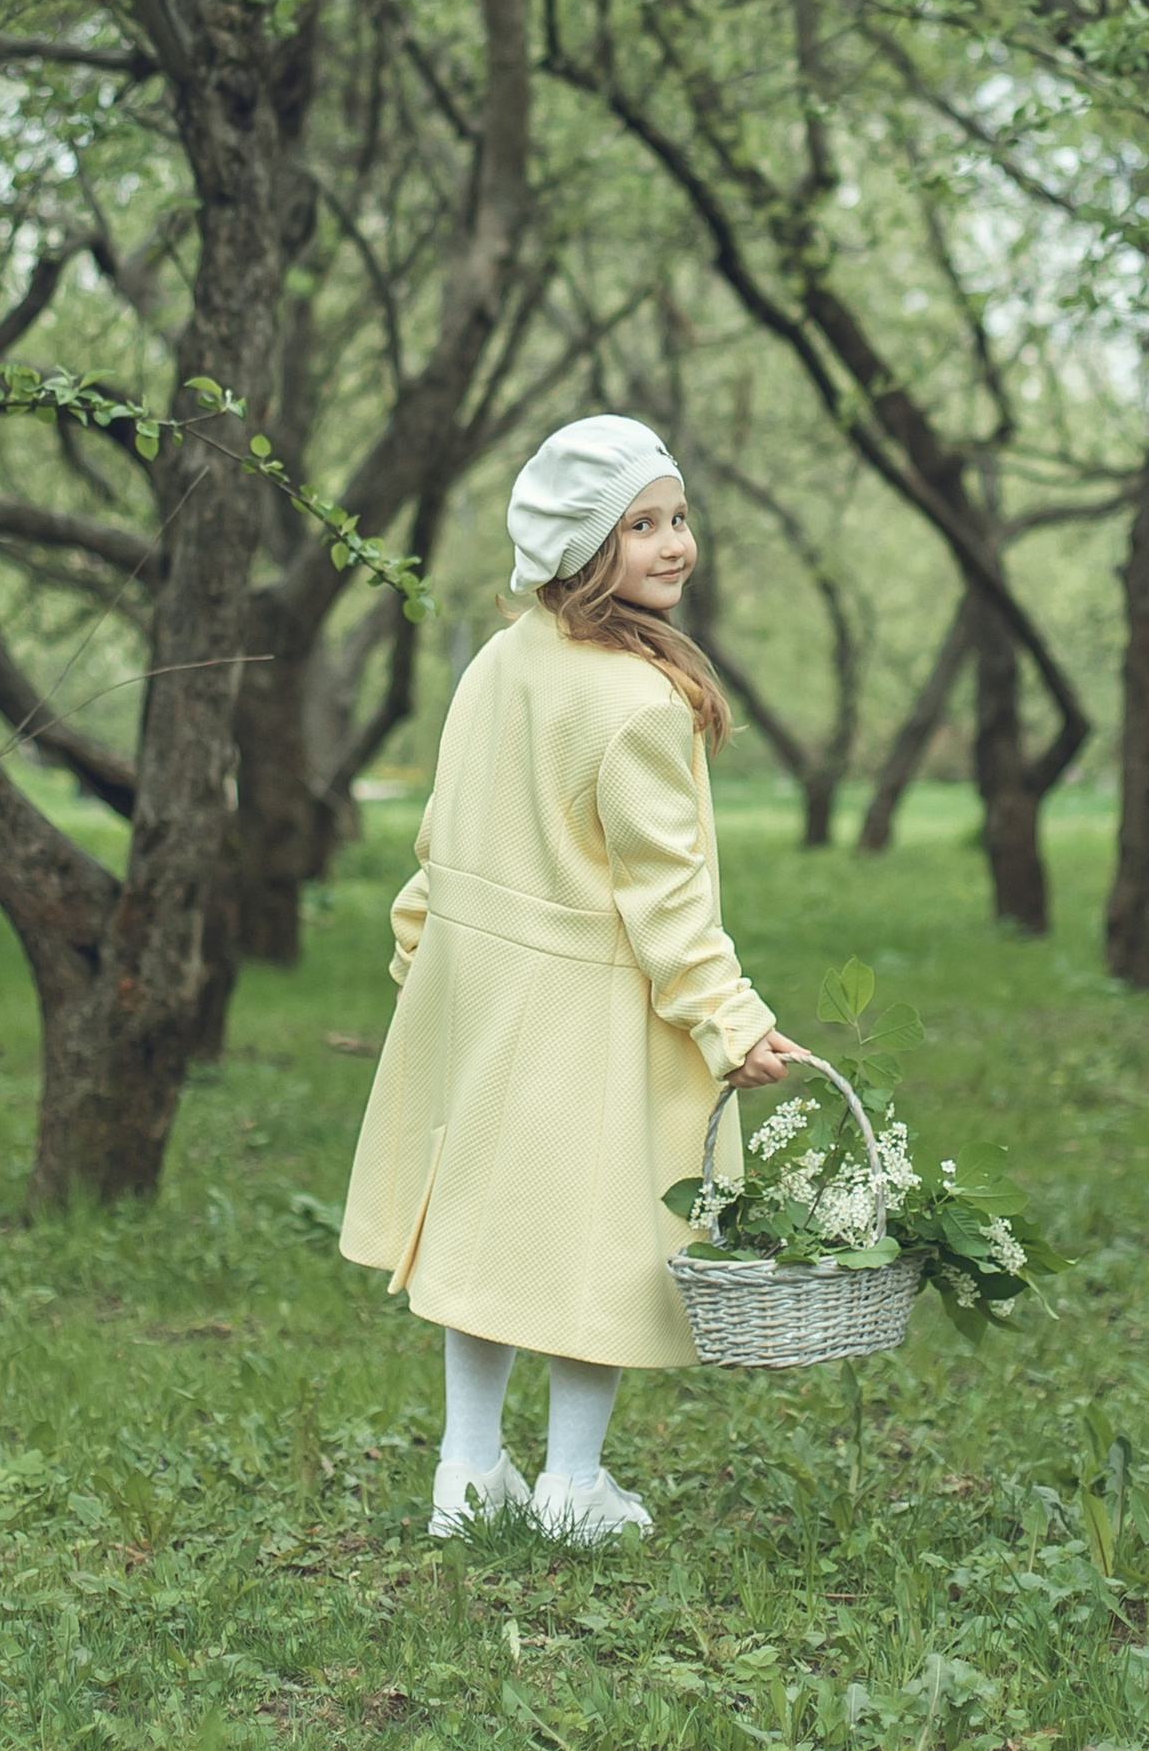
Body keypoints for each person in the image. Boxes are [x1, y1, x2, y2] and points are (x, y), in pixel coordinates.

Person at [339, 414, 807, 1543]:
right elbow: (669, 898)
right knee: (599, 1242)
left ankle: (468, 1469)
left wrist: (423, 952)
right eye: (639, 524)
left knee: (488, 1233)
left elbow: (446, 833)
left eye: (678, 517)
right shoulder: (636, 703)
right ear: (578, 543)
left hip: (485, 994)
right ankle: (571, 1483)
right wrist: (727, 1024)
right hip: (593, 1013)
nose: (673, 543)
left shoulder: (505, 659)